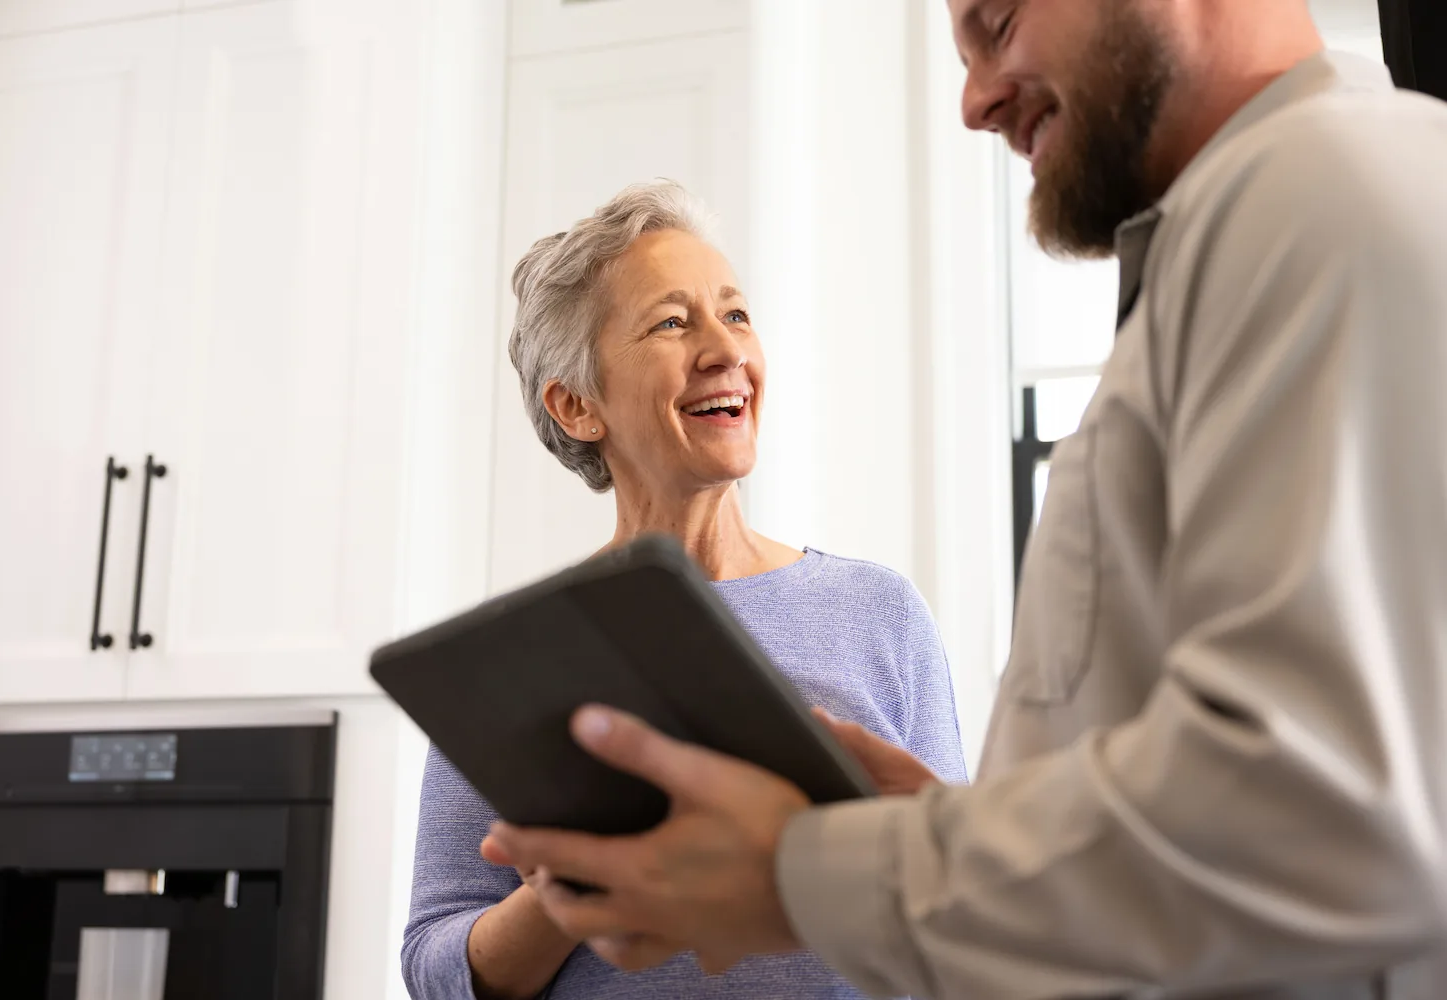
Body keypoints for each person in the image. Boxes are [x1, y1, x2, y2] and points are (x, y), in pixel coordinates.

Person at [482, 1, 1447, 998]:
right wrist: (942, 829)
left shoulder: (1323, 203)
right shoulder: (1237, 246)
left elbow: (1327, 821)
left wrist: (807, 872)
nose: (975, 100)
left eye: (997, 22)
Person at [401, 181, 969, 1000]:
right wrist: (569, 890)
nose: (725, 350)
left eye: (735, 314)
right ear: (576, 404)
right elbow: (437, 970)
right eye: (672, 322)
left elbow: (957, 936)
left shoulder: (879, 613)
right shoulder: (511, 658)